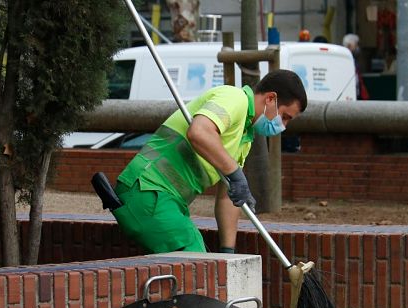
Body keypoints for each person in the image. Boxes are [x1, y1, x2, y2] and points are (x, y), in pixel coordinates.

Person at [112, 69, 307, 254]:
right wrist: (235, 172)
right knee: (195, 264)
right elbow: (199, 132)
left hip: (164, 199)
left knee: (199, 266)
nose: (284, 126)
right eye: (285, 117)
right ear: (271, 98)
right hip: (146, 190)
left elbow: (226, 197)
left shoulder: (245, 136)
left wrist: (227, 252)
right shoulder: (234, 98)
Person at [342, 33, 370, 100]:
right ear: (349, 46)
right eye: (356, 45)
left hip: (356, 93)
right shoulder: (344, 59)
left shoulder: (352, 59)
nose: (357, 47)